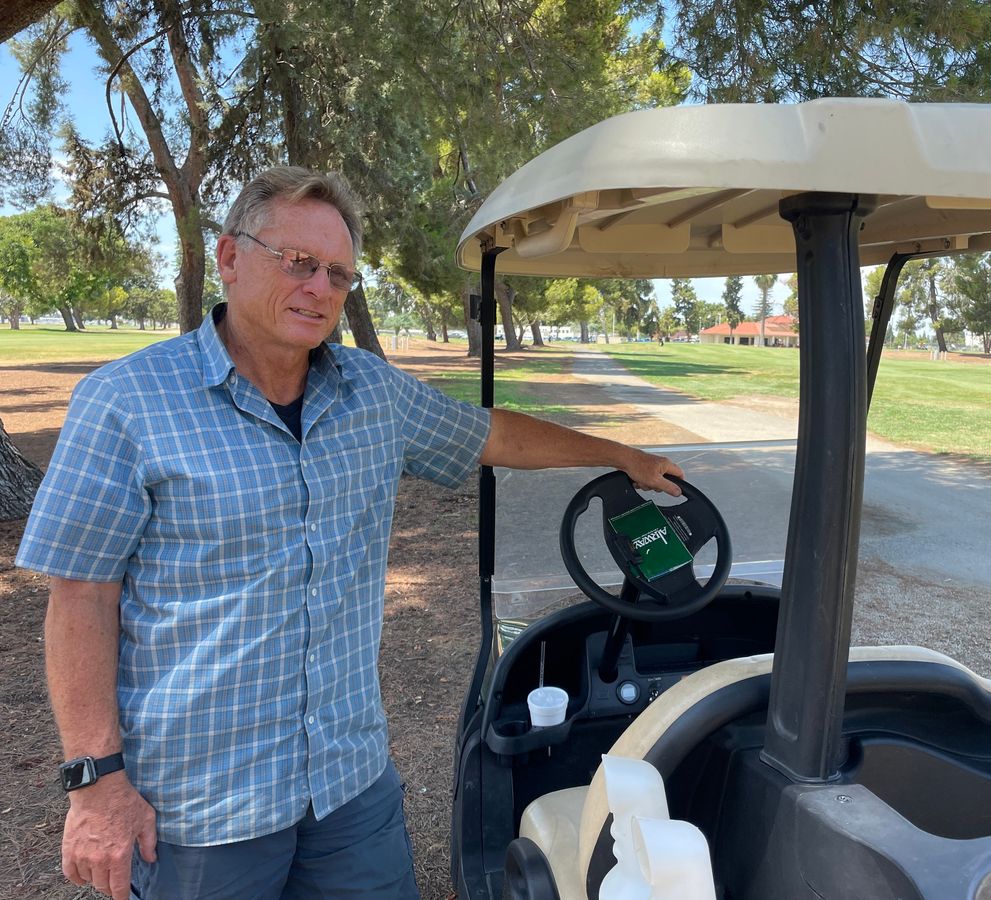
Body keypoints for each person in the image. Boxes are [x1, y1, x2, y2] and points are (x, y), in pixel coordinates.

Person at [16, 167, 683, 900]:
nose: (320, 287)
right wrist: (96, 784)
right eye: (298, 262)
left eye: (338, 273)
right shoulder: (125, 402)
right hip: (199, 809)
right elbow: (81, 595)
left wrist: (621, 456)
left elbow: (493, 436)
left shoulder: (374, 394)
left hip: (348, 786)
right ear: (230, 259)